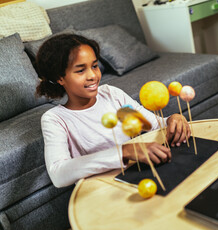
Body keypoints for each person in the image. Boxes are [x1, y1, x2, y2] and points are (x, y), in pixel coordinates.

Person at [36, 34, 190, 188]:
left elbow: (153, 125)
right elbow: (58, 174)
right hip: (105, 189)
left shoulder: (111, 95)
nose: (93, 76)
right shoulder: (55, 119)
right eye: (81, 70)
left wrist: (172, 119)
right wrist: (124, 151)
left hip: (142, 177)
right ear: (59, 78)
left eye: (94, 66)